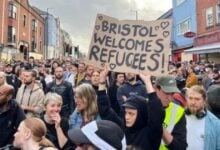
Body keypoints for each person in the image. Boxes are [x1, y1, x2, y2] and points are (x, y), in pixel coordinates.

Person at [122, 73, 165, 150]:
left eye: (131, 113)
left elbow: (157, 113)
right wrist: (102, 82)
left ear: (141, 114)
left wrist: (147, 82)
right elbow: (106, 112)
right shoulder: (126, 128)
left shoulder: (150, 133)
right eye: (126, 112)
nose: (126, 117)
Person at [155, 75, 187, 150]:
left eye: (172, 94)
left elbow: (181, 147)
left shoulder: (178, 111)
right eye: (166, 93)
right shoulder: (143, 106)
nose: (170, 98)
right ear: (156, 89)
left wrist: (160, 127)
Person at [185, 85, 220, 150]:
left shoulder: (215, 123)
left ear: (204, 101)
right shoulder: (179, 117)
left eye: (197, 99)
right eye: (190, 98)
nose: (193, 102)